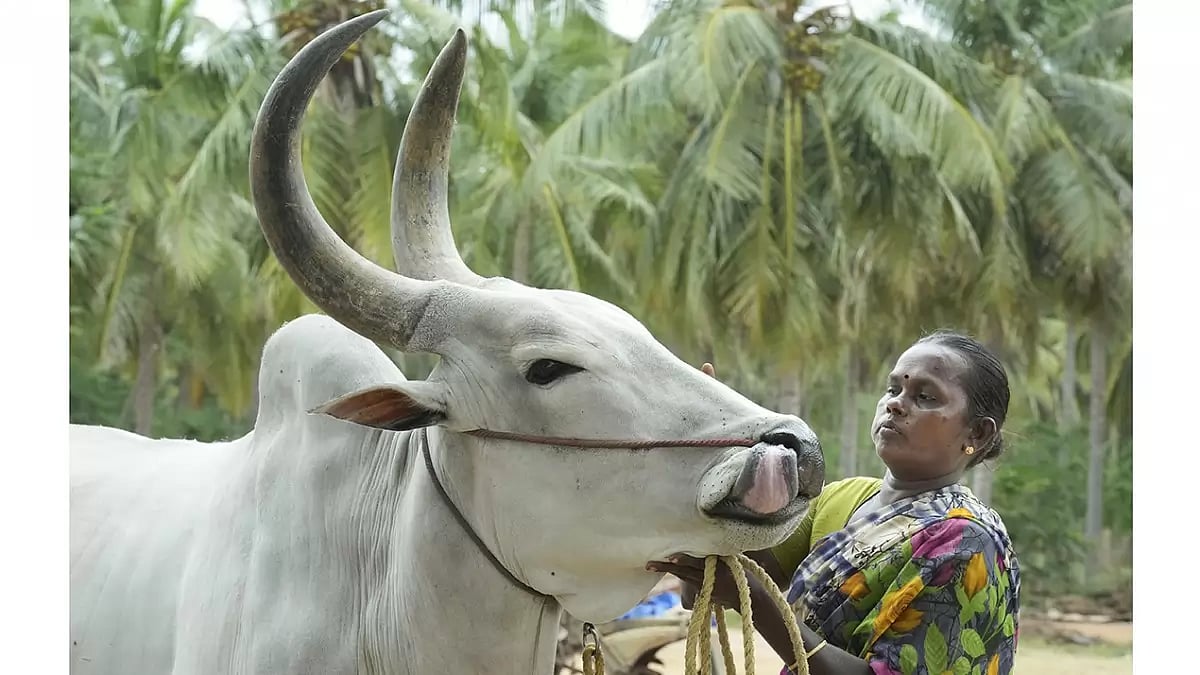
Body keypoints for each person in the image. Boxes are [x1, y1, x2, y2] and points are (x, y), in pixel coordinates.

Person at [648, 331, 1021, 675]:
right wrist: (701, 444)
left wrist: (761, 603)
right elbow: (705, 585)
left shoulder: (966, 542)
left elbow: (751, 593)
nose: (896, 404)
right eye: (893, 389)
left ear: (978, 433)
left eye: (925, 397)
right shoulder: (843, 498)